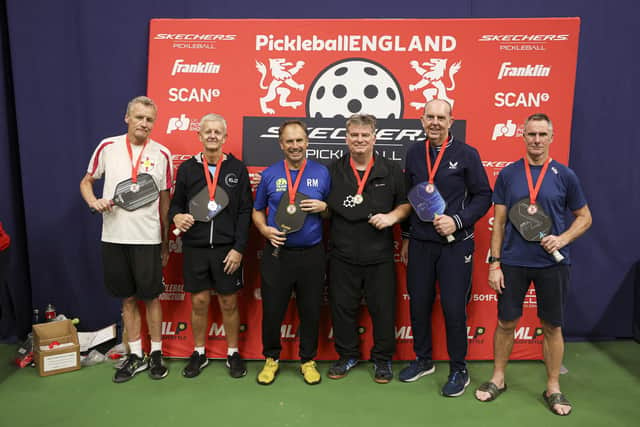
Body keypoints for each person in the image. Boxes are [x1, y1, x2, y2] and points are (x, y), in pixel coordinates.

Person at [474, 113, 592, 416]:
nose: (536, 140)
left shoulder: (565, 175)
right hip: (512, 262)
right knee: (506, 323)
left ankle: (553, 386)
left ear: (551, 137)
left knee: (552, 326)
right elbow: (498, 223)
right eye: (531, 134)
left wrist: (562, 240)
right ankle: (498, 378)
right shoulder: (509, 174)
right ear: (523, 136)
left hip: (552, 265)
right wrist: (494, 263)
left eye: (542, 134)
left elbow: (585, 217)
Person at [400, 99, 492, 396]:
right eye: (430, 117)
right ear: (422, 120)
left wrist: (457, 220)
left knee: (454, 308)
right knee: (419, 304)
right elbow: (408, 198)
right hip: (421, 244)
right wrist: (405, 237)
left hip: (455, 245)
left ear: (451, 121)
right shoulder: (414, 152)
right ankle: (423, 359)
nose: (435, 122)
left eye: (441, 117)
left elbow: (483, 196)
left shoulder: (467, 154)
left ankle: (458, 369)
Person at [80, 96, 172, 383]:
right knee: (128, 300)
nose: (144, 123)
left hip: (148, 238)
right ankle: (135, 355)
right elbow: (86, 182)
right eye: (139, 117)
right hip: (114, 237)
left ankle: (155, 353)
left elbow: (165, 201)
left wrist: (166, 242)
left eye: (149, 119)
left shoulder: (162, 153)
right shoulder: (107, 147)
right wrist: (93, 201)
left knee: (152, 297)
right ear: (127, 118)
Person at [326, 114, 411, 384]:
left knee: (384, 308)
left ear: (374, 137)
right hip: (342, 253)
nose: (359, 140)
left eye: (365, 135)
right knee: (342, 308)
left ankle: (382, 359)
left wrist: (392, 217)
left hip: (379, 254)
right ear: (346, 138)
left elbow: (407, 204)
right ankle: (347, 355)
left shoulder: (392, 170)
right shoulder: (332, 170)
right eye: (354, 135)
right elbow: (324, 207)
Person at [170, 113, 252, 379]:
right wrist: (176, 217)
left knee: (228, 302)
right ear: (200, 136)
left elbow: (244, 211)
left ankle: (232, 353)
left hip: (227, 249)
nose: (213, 136)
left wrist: (239, 248)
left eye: (218, 132)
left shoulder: (237, 169)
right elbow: (175, 205)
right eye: (208, 132)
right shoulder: (187, 169)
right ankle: (199, 352)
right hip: (195, 248)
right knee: (200, 301)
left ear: (225, 137)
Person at [252, 120, 330, 385]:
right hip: (278, 254)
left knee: (310, 310)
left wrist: (324, 206)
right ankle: (271, 358)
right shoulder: (270, 174)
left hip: (312, 254)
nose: (295, 146)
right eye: (289, 141)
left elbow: (334, 210)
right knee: (273, 310)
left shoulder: (322, 173)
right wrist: (264, 230)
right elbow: (257, 209)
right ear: (281, 144)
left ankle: (307, 360)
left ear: (307, 142)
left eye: (299, 140)